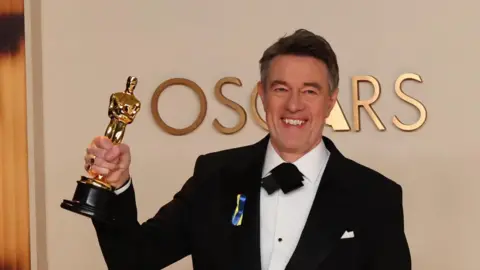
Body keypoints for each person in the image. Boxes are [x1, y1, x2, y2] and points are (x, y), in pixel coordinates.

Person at [85, 29, 411, 270]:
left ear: (330, 102)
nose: (294, 105)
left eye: (309, 91)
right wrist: (114, 186)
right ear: (262, 95)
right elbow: (133, 259)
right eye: (281, 89)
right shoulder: (214, 177)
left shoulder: (375, 196)